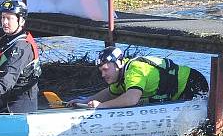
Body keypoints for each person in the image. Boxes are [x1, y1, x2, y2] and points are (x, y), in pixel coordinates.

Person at [69, 46, 209, 109]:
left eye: (106, 69)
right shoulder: (119, 77)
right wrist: (86, 100)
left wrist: (101, 106)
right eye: (101, 71)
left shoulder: (134, 70)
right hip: (179, 90)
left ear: (118, 64)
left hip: (192, 83)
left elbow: (131, 99)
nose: (103, 75)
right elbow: (110, 93)